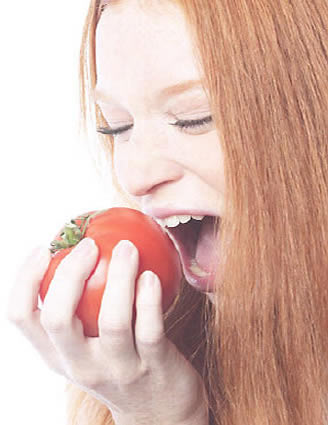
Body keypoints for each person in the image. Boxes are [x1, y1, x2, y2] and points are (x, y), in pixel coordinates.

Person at [7, 0, 328, 424]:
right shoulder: (138, 375)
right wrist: (159, 415)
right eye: (117, 126)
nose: (135, 176)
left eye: (195, 117)